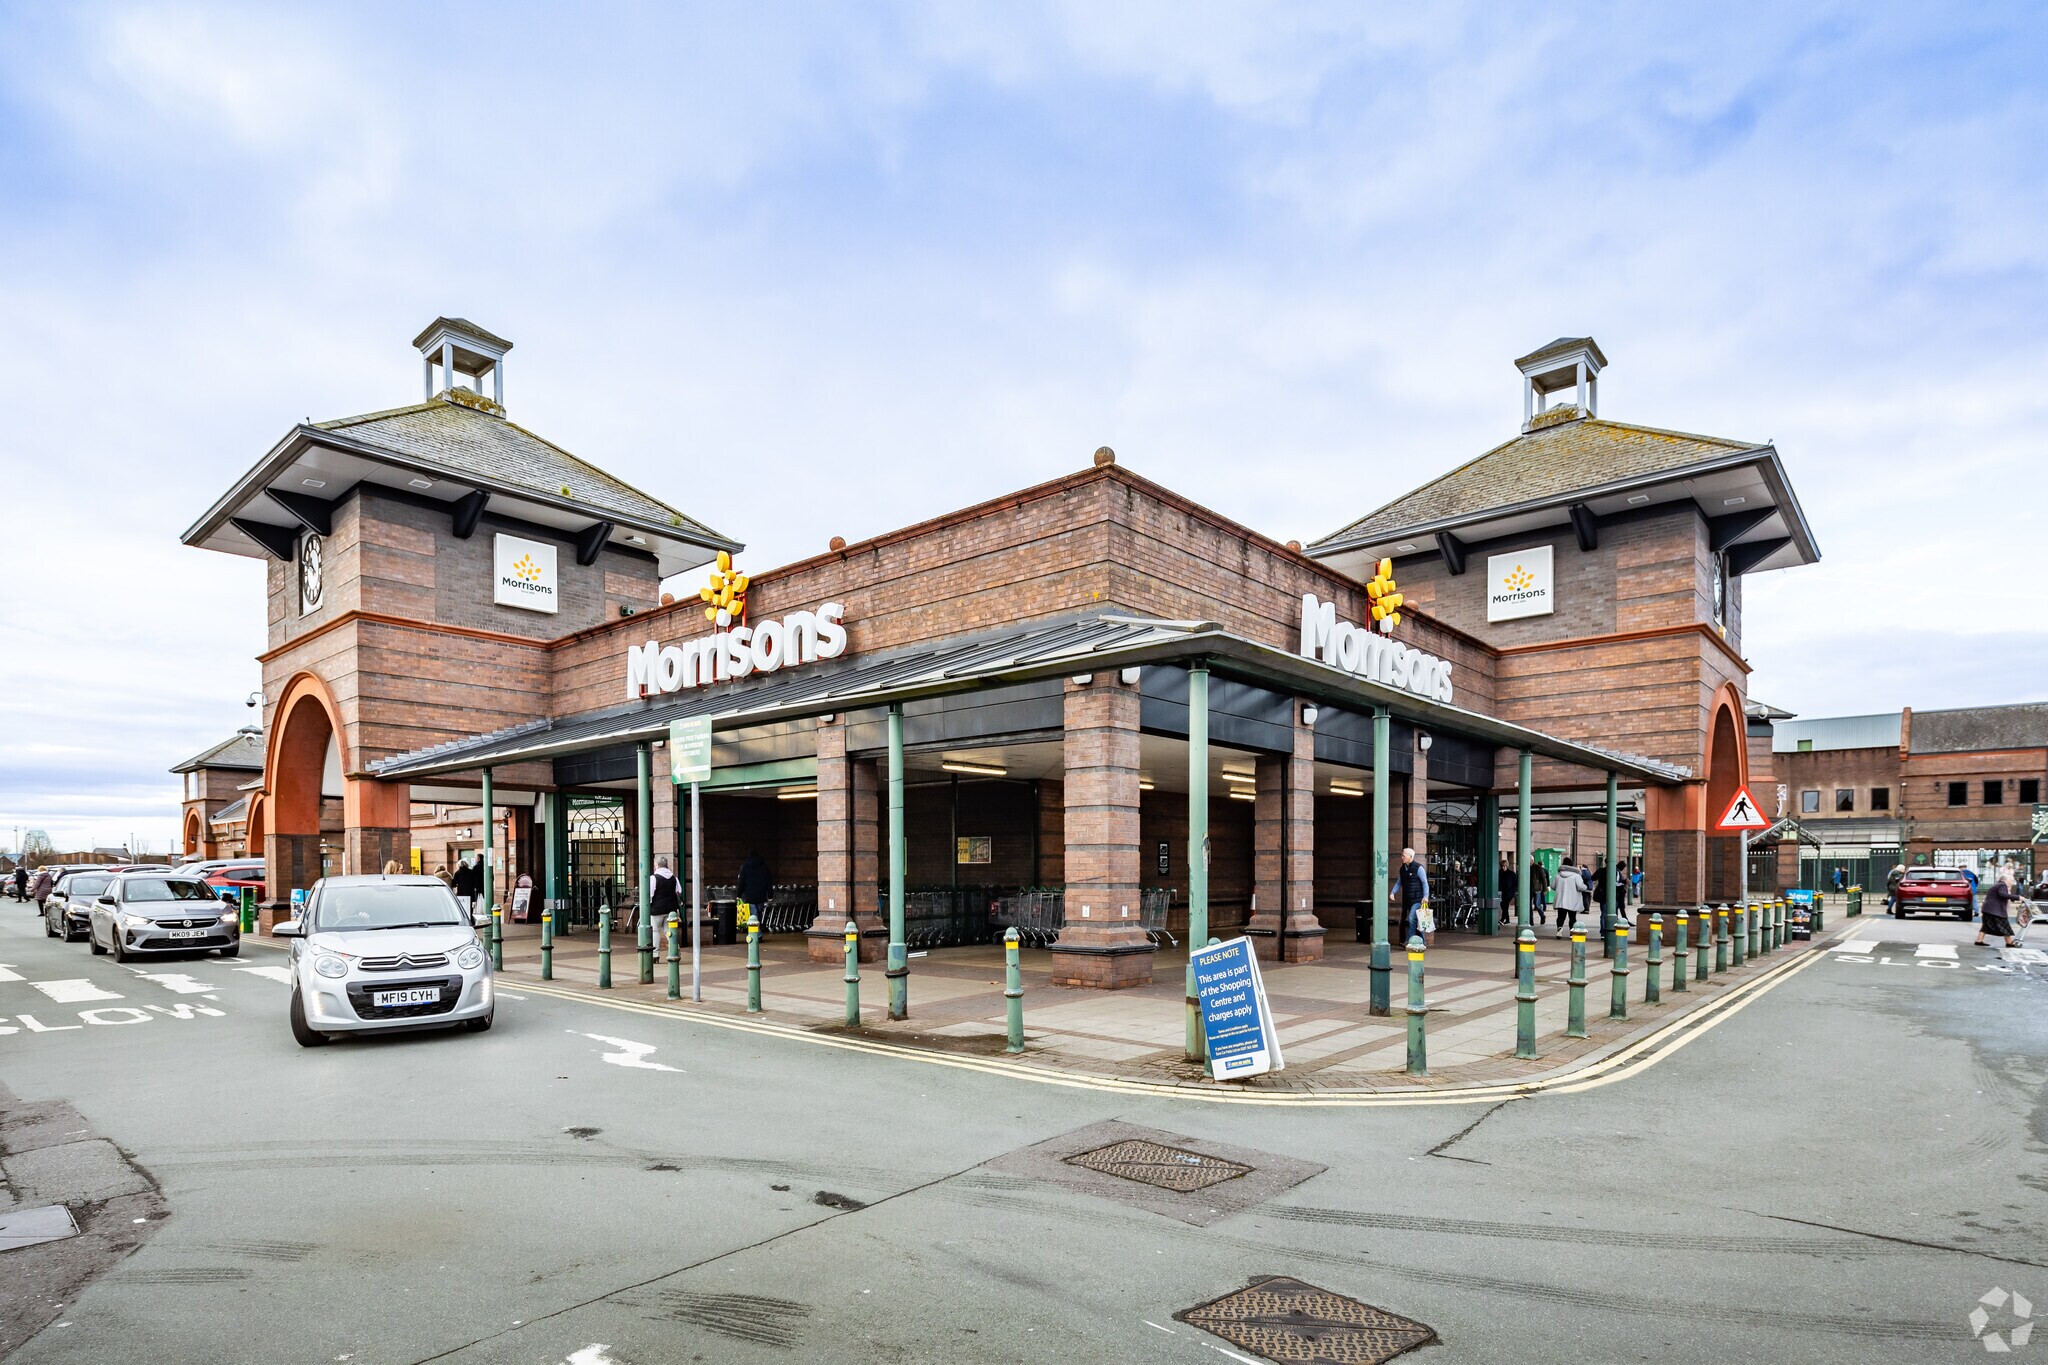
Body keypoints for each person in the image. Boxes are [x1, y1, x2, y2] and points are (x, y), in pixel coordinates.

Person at [1392, 847, 1429, 943]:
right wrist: (1392, 892)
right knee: (1416, 921)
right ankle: (1422, 941)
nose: (1402, 857)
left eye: (1404, 856)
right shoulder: (1402, 869)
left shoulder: (1418, 868)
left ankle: (1410, 941)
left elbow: (1425, 883)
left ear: (1410, 857)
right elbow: (1399, 882)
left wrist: (1425, 896)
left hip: (1418, 899)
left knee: (1412, 918)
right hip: (1408, 899)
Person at [1978, 869, 2021, 949]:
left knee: (1986, 926)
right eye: (2010, 880)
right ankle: (2009, 943)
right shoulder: (2002, 885)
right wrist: (2018, 897)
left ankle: (1979, 940)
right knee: (2004, 925)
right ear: (2005, 880)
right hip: (1995, 910)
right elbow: (2003, 895)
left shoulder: (1997, 885)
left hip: (1988, 909)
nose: (2011, 882)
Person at [1553, 857, 1587, 938]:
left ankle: (1559, 930)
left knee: (1560, 917)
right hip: (1572, 900)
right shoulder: (1576, 876)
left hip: (1561, 900)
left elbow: (1553, 886)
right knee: (1572, 917)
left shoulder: (1558, 875)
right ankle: (1572, 932)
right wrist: (1585, 887)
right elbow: (1581, 887)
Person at [649, 854, 681, 932]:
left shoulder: (653, 878)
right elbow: (679, 891)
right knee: (669, 931)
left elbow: (650, 894)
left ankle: (655, 945)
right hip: (671, 909)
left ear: (657, 865)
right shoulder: (674, 878)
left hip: (657, 910)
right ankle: (673, 944)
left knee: (655, 930)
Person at [1528, 857, 1551, 927]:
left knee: (1537, 905)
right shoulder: (1525, 867)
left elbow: (1543, 879)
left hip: (1537, 889)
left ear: (1532, 861)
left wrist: (1545, 889)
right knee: (1528, 906)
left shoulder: (1538, 868)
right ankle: (1531, 920)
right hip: (1528, 889)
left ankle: (1542, 915)